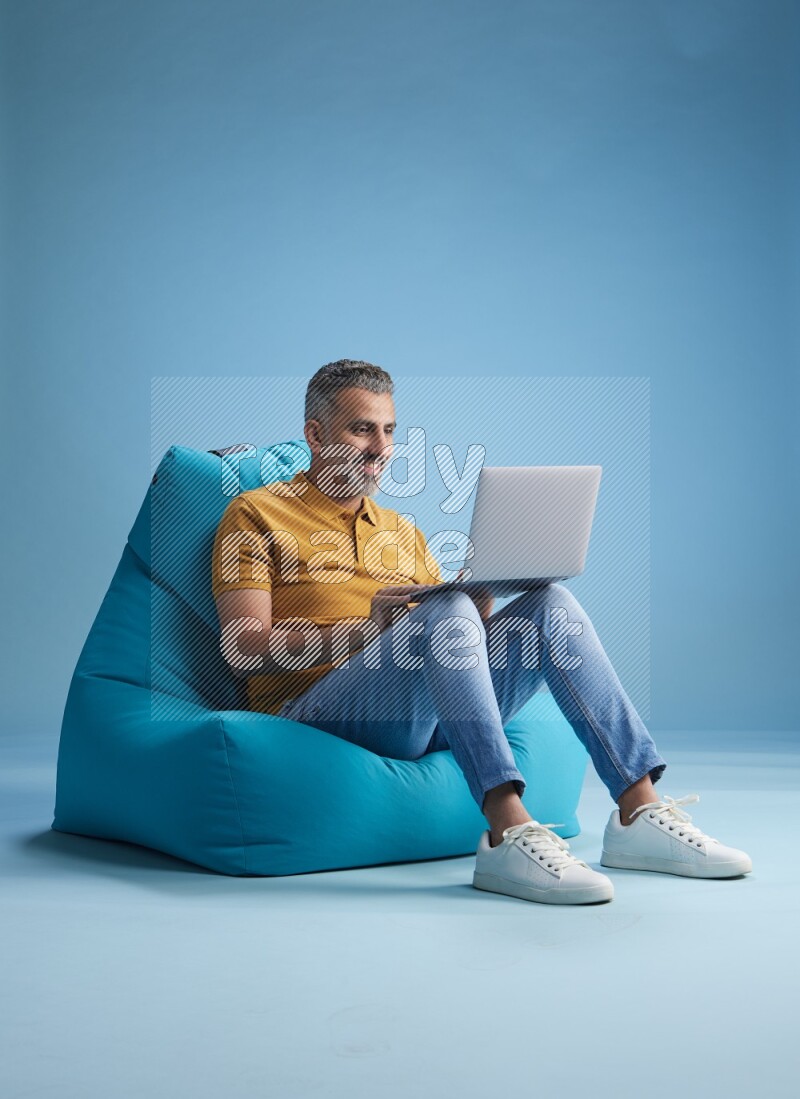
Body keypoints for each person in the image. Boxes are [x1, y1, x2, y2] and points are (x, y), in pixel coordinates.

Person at [211, 359, 752, 905]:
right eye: (361, 429)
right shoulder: (255, 514)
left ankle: (639, 812)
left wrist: (480, 610)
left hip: (419, 716)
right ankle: (506, 831)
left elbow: (450, 656)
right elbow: (242, 649)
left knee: (550, 605)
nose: (380, 447)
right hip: (318, 714)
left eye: (389, 430)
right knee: (443, 612)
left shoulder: (402, 531)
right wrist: (368, 631)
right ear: (315, 434)